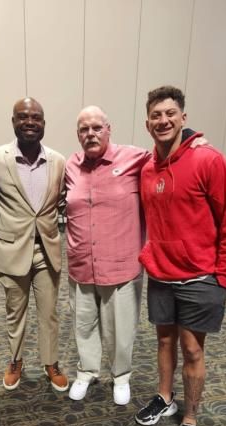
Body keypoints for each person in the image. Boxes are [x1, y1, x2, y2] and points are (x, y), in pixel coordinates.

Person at [135, 85, 226, 426]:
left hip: (201, 276)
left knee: (192, 349)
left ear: (183, 117)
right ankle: (165, 398)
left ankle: (190, 420)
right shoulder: (147, 166)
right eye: (155, 115)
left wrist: (224, 277)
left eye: (170, 114)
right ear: (147, 122)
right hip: (161, 273)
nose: (162, 121)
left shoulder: (209, 160)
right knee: (164, 340)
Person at [66, 106, 151, 405]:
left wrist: (192, 140)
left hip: (120, 264)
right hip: (81, 263)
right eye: (83, 129)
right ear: (77, 134)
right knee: (84, 323)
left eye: (96, 127)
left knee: (120, 328)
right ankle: (87, 371)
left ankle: (121, 376)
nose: (90, 134)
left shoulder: (135, 158)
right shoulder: (71, 166)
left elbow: (171, 159)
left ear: (108, 128)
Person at [0, 97, 69, 392]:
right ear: (13, 121)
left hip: (47, 248)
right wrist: (10, 222)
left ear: (43, 124)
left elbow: (61, 201)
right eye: (22, 117)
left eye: (35, 117)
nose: (29, 122)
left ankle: (50, 362)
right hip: (11, 248)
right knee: (15, 311)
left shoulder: (58, 160)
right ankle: (15, 360)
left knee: (49, 312)